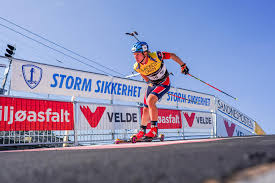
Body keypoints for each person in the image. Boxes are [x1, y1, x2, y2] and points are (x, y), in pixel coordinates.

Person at [132, 41, 189, 139]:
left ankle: (154, 130)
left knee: (150, 100)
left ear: (145, 53)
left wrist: (182, 65)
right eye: (134, 54)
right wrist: (149, 82)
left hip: (164, 82)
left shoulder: (156, 56)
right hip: (153, 84)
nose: (135, 57)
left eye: (138, 54)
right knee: (145, 107)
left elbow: (172, 56)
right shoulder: (137, 66)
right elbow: (143, 74)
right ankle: (142, 131)